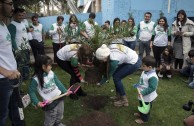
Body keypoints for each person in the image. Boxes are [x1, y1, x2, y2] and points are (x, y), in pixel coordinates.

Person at [28, 55, 71, 126]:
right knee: (51, 117)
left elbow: (58, 82)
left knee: (60, 113)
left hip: (59, 96)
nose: (51, 67)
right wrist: (36, 102)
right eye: (49, 65)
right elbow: (31, 91)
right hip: (49, 102)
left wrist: (65, 91)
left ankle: (58, 123)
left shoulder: (51, 73)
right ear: (43, 67)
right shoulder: (35, 79)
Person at [0, 0, 24, 125]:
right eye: (10, 3)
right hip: (3, 80)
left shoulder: (3, 25)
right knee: (2, 116)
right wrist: (6, 72)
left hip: (13, 76)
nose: (13, 7)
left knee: (16, 111)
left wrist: (14, 69)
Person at [134, 55, 158, 124]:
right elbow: (142, 79)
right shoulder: (145, 71)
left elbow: (152, 88)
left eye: (143, 66)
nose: (141, 67)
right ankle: (140, 113)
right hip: (142, 93)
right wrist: (138, 84)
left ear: (149, 67)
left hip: (147, 95)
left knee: (145, 107)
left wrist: (143, 93)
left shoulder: (152, 77)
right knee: (141, 103)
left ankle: (144, 119)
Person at [8, 8, 31, 80]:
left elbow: (25, 35)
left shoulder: (23, 23)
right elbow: (12, 38)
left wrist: (28, 45)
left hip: (25, 47)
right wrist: (16, 49)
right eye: (19, 15)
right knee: (20, 65)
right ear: (14, 15)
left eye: (22, 15)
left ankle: (26, 76)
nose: (21, 17)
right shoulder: (12, 25)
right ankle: (20, 78)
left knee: (26, 63)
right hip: (19, 49)